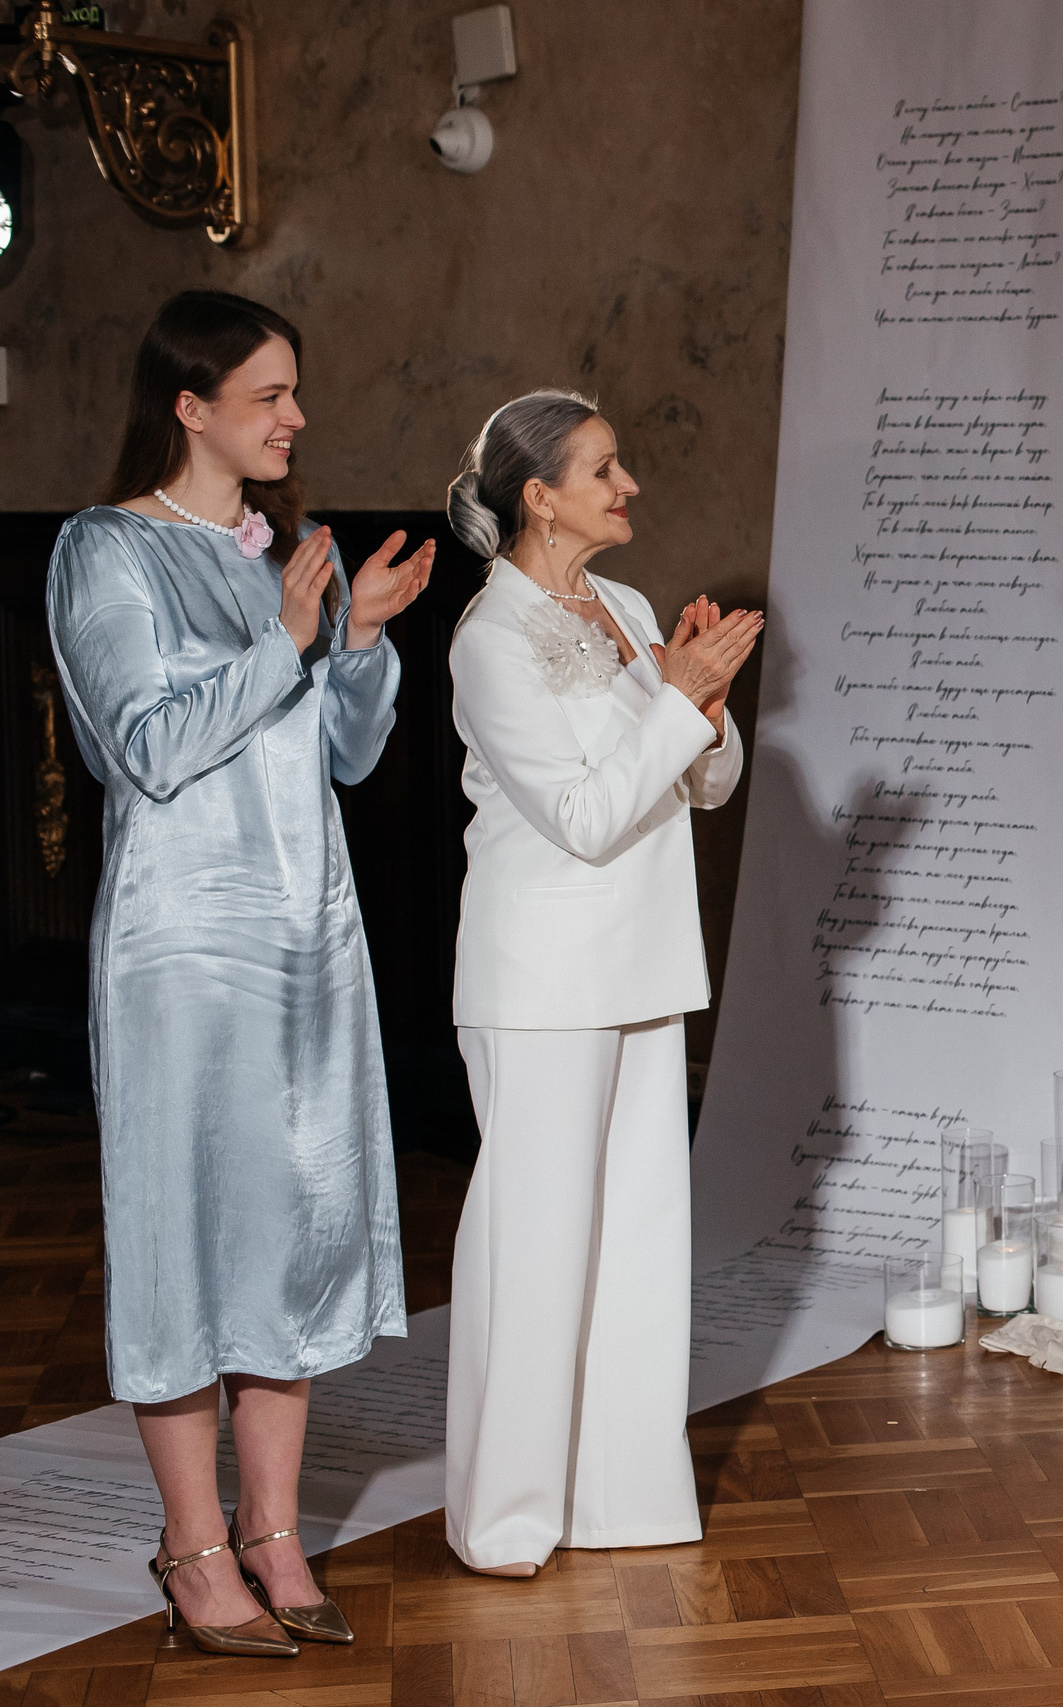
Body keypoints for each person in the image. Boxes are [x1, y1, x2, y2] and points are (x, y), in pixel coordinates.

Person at [45, 291, 434, 1655]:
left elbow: (344, 757)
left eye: (294, 391)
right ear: (189, 405)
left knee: (292, 1233)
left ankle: (274, 1533)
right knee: (183, 1237)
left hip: (305, 943)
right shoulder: (106, 551)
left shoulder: (284, 556)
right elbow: (145, 748)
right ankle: (193, 1544)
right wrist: (283, 636)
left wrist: (357, 640)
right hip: (183, 954)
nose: (295, 417)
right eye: (269, 394)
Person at [440, 389, 761, 1576]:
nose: (629, 487)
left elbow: (701, 786)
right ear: (540, 495)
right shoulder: (488, 639)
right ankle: (506, 1518)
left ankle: (621, 1496)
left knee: (637, 1243)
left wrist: (704, 706)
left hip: (643, 961)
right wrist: (676, 699)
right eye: (605, 469)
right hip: (542, 980)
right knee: (534, 1248)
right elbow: (581, 817)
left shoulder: (624, 607)